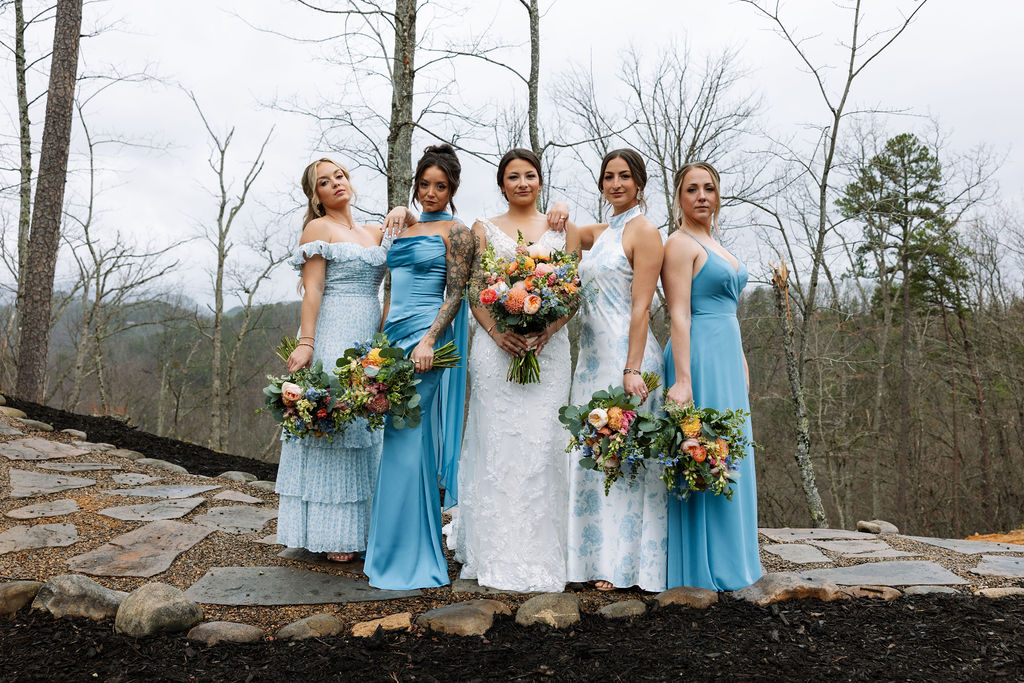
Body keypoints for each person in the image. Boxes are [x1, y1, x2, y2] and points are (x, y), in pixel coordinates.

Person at [452, 148, 580, 593]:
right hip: (495, 348)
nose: (522, 183)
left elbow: (574, 291)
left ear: (541, 181)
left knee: (545, 442)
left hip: (548, 349)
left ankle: (546, 551)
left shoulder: (563, 228)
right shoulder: (483, 229)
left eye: (530, 176)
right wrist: (495, 334)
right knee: (499, 443)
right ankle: (495, 550)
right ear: (501, 184)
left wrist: (547, 329)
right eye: (513, 177)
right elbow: (473, 287)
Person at [363, 144, 472, 590]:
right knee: (396, 440)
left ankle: (414, 557)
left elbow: (456, 294)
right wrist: (376, 348)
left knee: (410, 438)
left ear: (453, 189)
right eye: (424, 185)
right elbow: (390, 289)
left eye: (440, 186)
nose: (430, 193)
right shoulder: (402, 227)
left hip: (426, 342)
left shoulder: (459, 232)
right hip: (392, 341)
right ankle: (389, 551)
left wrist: (429, 340)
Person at [566, 148, 668, 592]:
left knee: (625, 460)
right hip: (590, 360)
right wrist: (560, 210)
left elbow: (642, 307)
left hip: (628, 359)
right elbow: (570, 232)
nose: (616, 184)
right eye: (609, 177)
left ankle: (624, 567)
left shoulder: (644, 232)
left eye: (625, 176)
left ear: (640, 182)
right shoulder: (606, 231)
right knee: (594, 456)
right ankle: (592, 560)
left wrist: (632, 369)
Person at [277, 158, 388, 563]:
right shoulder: (318, 229)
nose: (336, 183)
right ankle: (331, 531)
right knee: (338, 421)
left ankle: (368, 526)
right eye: (325, 182)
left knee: (367, 419)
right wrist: (306, 342)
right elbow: (313, 289)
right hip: (334, 331)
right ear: (317, 196)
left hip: (370, 334)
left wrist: (402, 211)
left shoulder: (375, 230)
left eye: (339, 176)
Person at [661, 161, 762, 591]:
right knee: (702, 450)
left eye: (709, 189)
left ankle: (737, 558)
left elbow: (731, 312)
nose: (702, 196)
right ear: (679, 198)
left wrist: (741, 362)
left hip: (726, 356)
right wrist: (683, 380)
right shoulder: (679, 244)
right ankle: (706, 566)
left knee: (731, 449)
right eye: (692, 189)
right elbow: (678, 314)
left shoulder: (715, 242)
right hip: (697, 356)